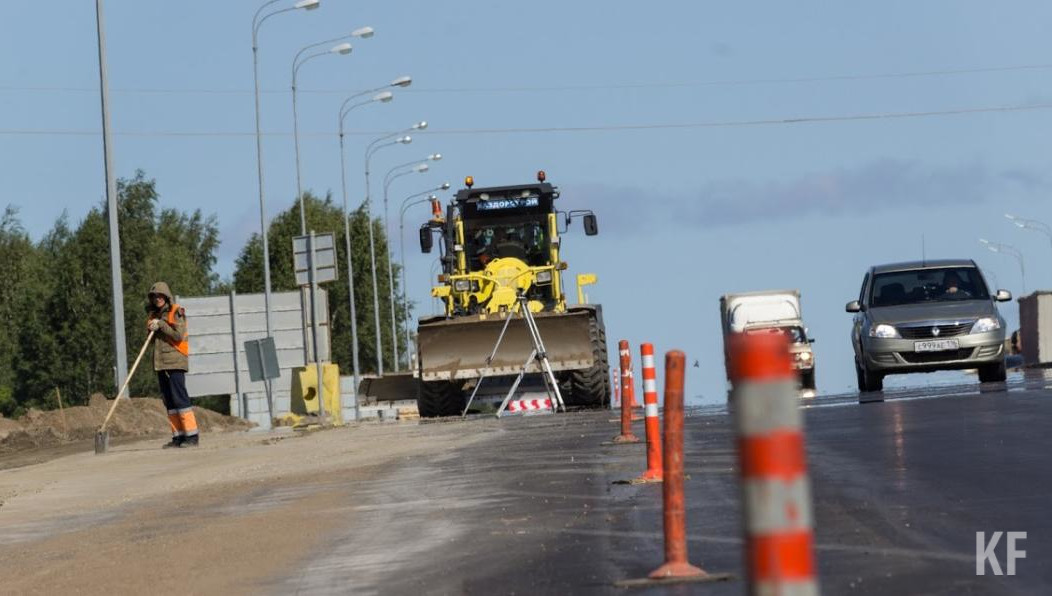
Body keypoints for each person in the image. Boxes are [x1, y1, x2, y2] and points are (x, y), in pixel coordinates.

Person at [146, 282, 198, 448]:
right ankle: (178, 436)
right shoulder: (154, 315)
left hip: (175, 362)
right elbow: (152, 340)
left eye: (160, 296)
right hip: (161, 363)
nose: (157, 299)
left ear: (166, 297)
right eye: (154, 297)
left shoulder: (176, 312)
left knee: (179, 398)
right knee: (169, 401)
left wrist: (161, 325)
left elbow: (178, 335)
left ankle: (191, 436)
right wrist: (151, 328)